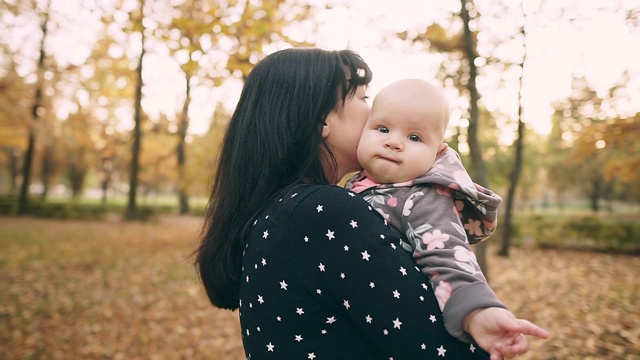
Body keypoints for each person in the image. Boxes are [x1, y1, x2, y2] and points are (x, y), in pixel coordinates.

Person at [194, 48, 546, 360]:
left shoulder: (277, 213)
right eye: (363, 98)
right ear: (323, 122)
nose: (374, 113)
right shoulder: (322, 212)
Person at [347, 78, 549, 356]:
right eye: (382, 129)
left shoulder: (422, 198)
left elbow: (448, 256)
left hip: (403, 328)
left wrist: (477, 311)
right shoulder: (353, 185)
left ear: (438, 153)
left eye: (414, 137)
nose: (394, 142)